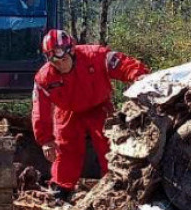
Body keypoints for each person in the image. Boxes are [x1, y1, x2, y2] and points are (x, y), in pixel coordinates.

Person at [31, 29, 150, 201]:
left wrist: (140, 77)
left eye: (63, 60)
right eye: (54, 62)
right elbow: (39, 110)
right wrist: (46, 140)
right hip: (67, 112)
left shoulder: (96, 55)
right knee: (65, 148)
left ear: (71, 50)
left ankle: (116, 182)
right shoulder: (44, 78)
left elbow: (123, 64)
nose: (60, 65)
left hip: (99, 106)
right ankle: (61, 189)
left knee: (109, 143)